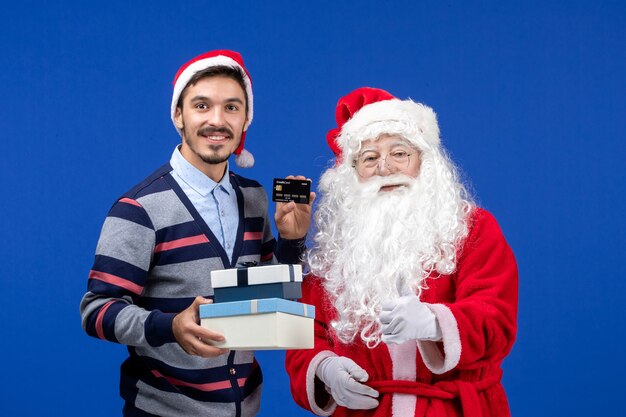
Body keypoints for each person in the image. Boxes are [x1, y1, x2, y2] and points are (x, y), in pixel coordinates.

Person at [80, 50, 314, 417]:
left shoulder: (254, 198)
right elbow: (96, 311)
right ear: (178, 115)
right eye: (202, 106)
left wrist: (293, 241)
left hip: (246, 408)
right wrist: (170, 326)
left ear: (246, 118)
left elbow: (278, 301)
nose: (217, 121)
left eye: (232, 107)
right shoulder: (139, 208)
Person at [285, 87, 518, 417]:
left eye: (399, 153)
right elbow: (307, 335)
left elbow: (497, 315)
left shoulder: (471, 229)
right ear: (352, 175)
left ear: (424, 161)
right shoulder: (338, 248)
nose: (384, 167)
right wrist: (325, 369)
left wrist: (435, 323)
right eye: (369, 158)